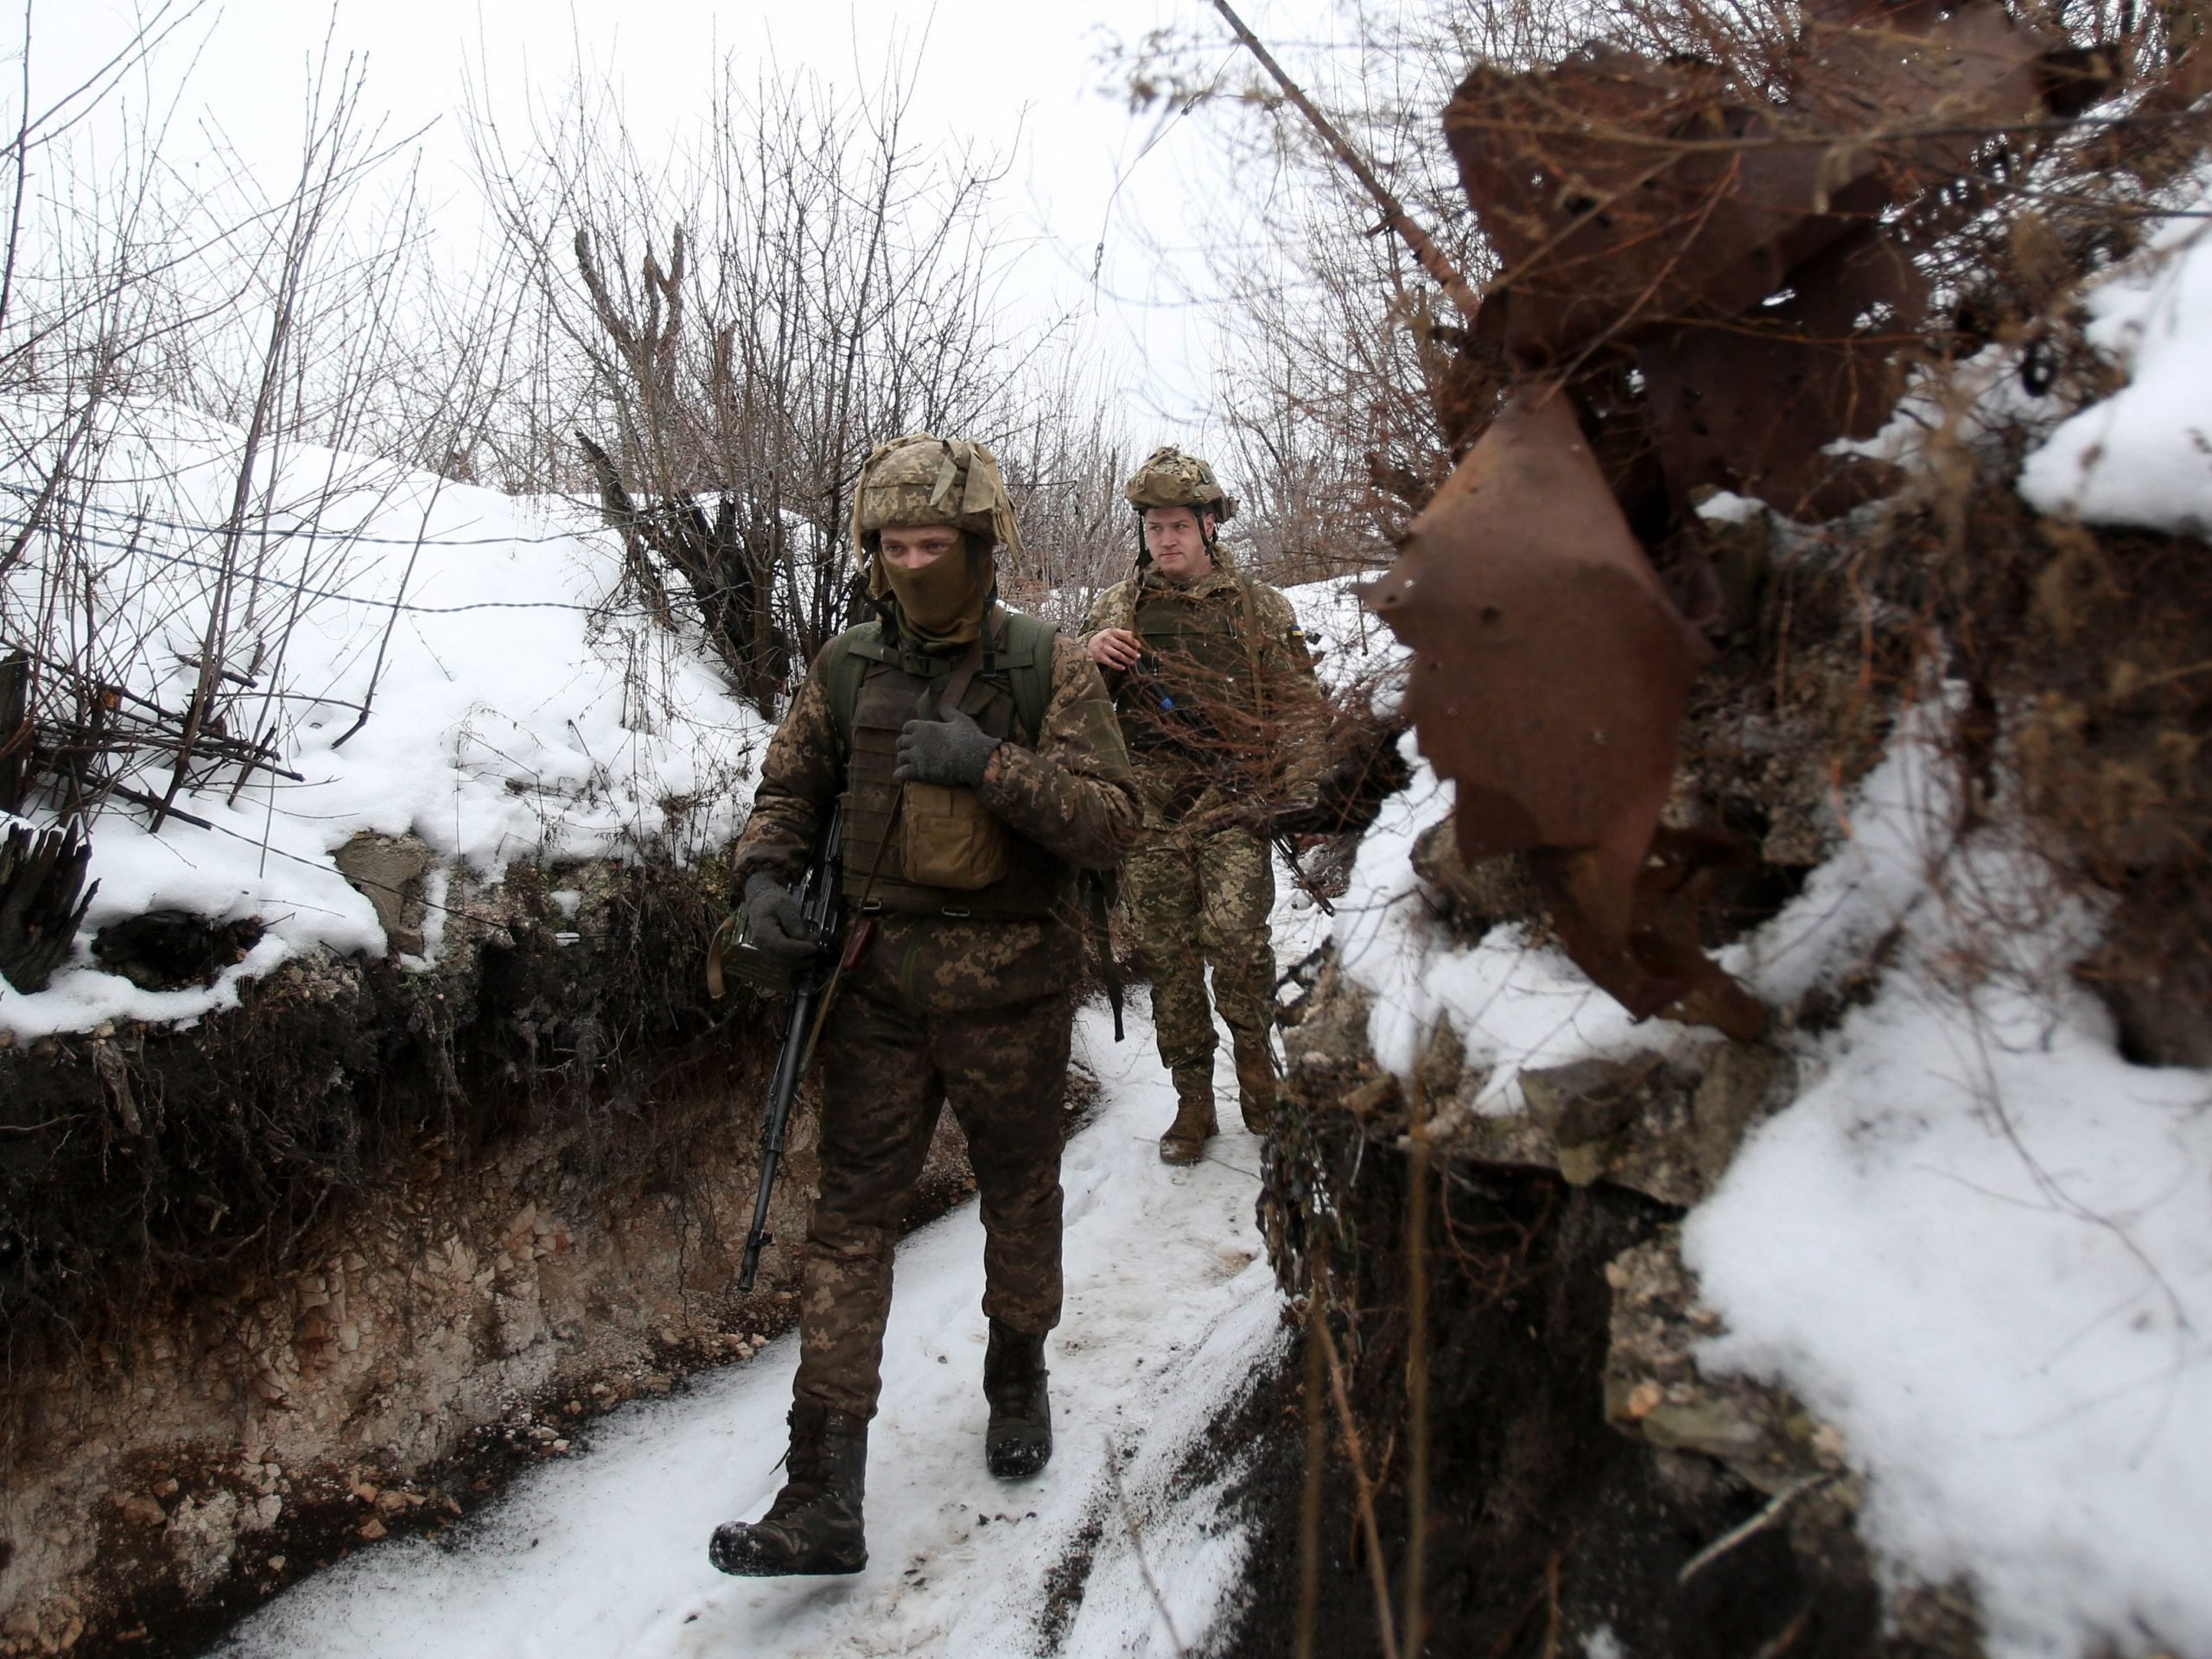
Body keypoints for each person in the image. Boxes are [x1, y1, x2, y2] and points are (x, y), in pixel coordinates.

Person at [709, 433, 1140, 1578]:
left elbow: (1111, 822)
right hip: (875, 993)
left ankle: (1016, 1377)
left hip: (1013, 994)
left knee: (1019, 1194)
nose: (912, 564)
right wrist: (760, 885)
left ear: (979, 546)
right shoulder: (847, 666)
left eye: (932, 544)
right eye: (894, 546)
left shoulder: (1051, 666)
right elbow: (789, 789)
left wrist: (990, 767)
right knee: (850, 1221)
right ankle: (821, 1495)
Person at [1081, 447, 1325, 1166]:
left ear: (1211, 526)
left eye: (1180, 525)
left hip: (1231, 804)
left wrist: (1303, 798)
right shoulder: (1117, 608)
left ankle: (1257, 1072)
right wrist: (1087, 657)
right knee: (1169, 958)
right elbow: (1072, 707)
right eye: (1155, 527)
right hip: (1150, 812)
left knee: (1240, 944)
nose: (1167, 540)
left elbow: (1300, 711)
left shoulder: (1260, 608)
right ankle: (1192, 1101)